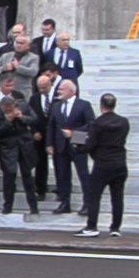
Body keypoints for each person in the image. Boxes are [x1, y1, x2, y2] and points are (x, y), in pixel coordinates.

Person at [77, 93, 130, 237]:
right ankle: (115, 228)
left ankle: (92, 226)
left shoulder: (97, 123)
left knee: (94, 197)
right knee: (117, 197)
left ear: (101, 106)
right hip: (120, 164)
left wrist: (76, 140)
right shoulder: (124, 122)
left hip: (102, 164)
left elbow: (88, 146)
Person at [46, 79, 92, 214]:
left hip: (78, 144)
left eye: (62, 89)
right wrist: (49, 144)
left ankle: (88, 204)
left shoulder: (83, 105)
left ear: (72, 91)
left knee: (83, 175)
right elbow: (51, 125)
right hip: (60, 146)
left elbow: (91, 124)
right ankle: (65, 203)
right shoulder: (56, 106)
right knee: (62, 176)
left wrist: (74, 134)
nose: (59, 91)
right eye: (59, 88)